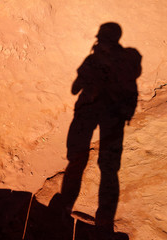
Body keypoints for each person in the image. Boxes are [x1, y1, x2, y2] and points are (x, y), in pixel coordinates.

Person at [60, 22, 141, 236]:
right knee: (109, 169)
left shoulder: (93, 60)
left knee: (77, 160)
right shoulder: (125, 62)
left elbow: (74, 88)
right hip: (113, 116)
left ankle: (64, 208)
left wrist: (92, 72)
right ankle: (104, 221)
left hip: (88, 112)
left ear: (100, 38)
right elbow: (130, 90)